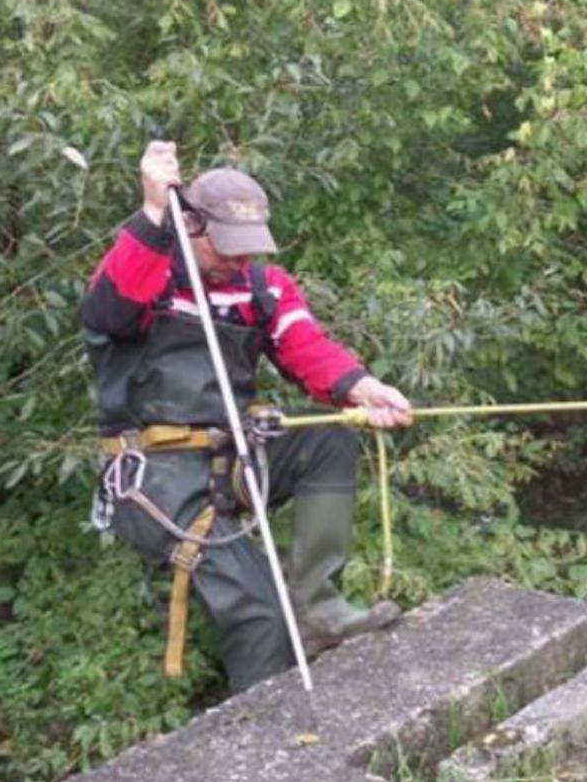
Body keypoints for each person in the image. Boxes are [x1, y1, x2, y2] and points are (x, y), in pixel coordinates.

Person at [81, 140, 414, 693]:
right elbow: (106, 312)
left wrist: (363, 388)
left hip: (230, 455)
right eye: (228, 248)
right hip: (157, 476)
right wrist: (152, 212)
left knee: (330, 435)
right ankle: (270, 740)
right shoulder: (151, 276)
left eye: (249, 248)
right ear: (191, 227)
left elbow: (306, 346)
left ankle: (319, 606)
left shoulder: (263, 288)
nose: (241, 260)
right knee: (261, 616)